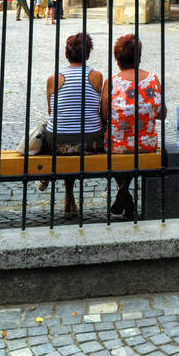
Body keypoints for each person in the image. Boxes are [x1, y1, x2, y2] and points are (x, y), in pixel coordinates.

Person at [101, 34, 165, 221]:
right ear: (139, 56)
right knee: (131, 149)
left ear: (117, 59)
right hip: (147, 144)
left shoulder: (111, 82)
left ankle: (125, 193)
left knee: (115, 148)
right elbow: (162, 113)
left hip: (117, 146)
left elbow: (104, 115)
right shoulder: (152, 79)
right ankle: (126, 196)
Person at [40, 32, 105, 217]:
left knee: (62, 137)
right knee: (77, 137)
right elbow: (100, 110)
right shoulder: (96, 76)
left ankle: (68, 196)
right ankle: (68, 197)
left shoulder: (54, 78)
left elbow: (52, 112)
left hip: (57, 143)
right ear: (88, 54)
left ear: (66, 54)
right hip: (90, 141)